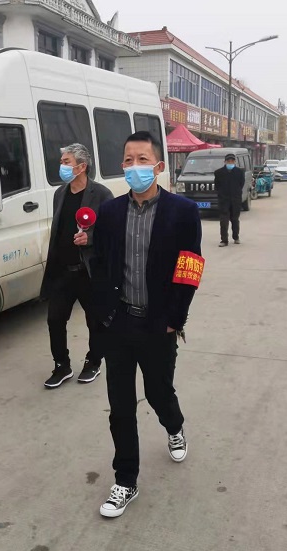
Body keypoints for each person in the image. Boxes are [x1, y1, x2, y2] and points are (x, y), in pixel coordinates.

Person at [91, 131, 203, 518]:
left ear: (158, 166)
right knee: (120, 408)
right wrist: (104, 314)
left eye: (142, 159)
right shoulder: (110, 213)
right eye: (128, 160)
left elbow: (189, 268)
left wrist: (175, 319)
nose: (134, 167)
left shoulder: (183, 211)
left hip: (159, 326)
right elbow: (101, 266)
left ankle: (174, 426)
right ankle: (125, 480)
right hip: (120, 324)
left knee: (158, 394)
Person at [41, 143, 113, 388]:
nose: (61, 166)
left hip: (88, 272)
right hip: (62, 270)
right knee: (55, 320)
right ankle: (62, 365)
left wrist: (90, 238)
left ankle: (94, 362)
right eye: (61, 161)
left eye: (66, 162)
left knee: (95, 321)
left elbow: (112, 232)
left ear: (81, 167)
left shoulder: (101, 194)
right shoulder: (59, 194)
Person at [214, 153, 245, 247]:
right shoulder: (218, 173)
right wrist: (222, 194)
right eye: (228, 161)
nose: (230, 163)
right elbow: (217, 185)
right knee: (223, 220)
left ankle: (236, 237)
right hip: (224, 200)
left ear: (234, 162)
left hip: (235, 200)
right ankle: (224, 240)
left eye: (232, 161)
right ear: (225, 162)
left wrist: (236, 193)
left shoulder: (239, 172)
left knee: (235, 219)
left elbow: (241, 184)